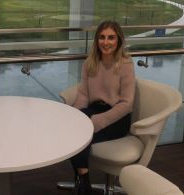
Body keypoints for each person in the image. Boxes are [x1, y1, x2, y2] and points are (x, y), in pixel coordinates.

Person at [70, 20, 135, 195]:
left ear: (119, 40)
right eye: (102, 37)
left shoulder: (126, 64)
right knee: (69, 130)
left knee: (80, 137)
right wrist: (74, 115)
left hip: (117, 117)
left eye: (111, 38)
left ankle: (82, 183)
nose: (106, 42)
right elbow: (83, 95)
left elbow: (127, 104)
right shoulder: (89, 63)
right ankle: (84, 180)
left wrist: (98, 121)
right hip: (94, 110)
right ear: (97, 40)